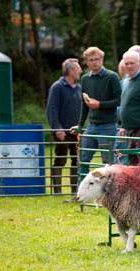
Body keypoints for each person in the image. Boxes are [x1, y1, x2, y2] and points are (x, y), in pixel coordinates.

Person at [73, 47, 121, 180]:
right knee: (82, 160)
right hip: (91, 126)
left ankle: (110, 194)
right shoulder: (85, 79)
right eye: (91, 60)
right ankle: (80, 194)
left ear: (102, 60)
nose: (94, 62)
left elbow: (119, 100)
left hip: (107, 125)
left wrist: (99, 104)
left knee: (108, 163)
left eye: (97, 59)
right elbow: (85, 104)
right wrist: (80, 125)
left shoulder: (112, 77)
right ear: (87, 62)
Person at [46, 58, 82, 195]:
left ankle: (74, 189)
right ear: (70, 71)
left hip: (76, 132)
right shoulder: (57, 87)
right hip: (63, 132)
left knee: (76, 160)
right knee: (60, 160)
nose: (80, 71)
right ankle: (57, 191)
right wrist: (57, 128)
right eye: (78, 68)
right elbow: (52, 109)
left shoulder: (79, 87)